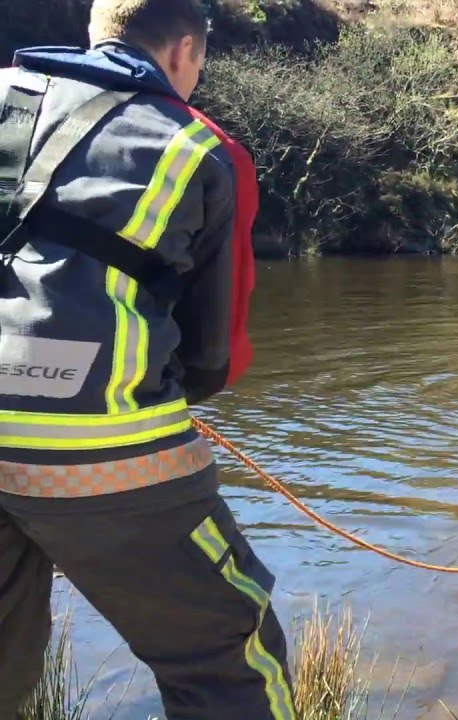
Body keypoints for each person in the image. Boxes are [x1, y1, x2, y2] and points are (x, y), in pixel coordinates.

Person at [0, 1, 291, 717]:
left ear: (94, 36)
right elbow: (214, 355)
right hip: (102, 448)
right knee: (231, 658)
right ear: (184, 50)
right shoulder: (203, 149)